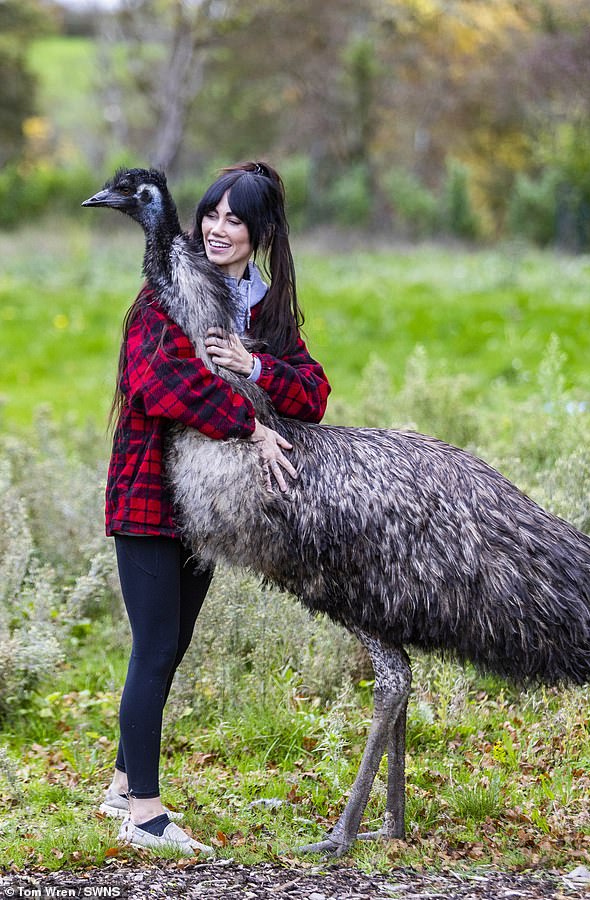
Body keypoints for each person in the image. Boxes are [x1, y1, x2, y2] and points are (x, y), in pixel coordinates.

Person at [99, 161, 330, 854]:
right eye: (211, 214)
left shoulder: (261, 309)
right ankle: (145, 815)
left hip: (209, 509)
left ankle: (121, 786)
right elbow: (159, 383)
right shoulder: (166, 296)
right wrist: (249, 425)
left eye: (235, 219)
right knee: (155, 646)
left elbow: (313, 395)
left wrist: (255, 367)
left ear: (260, 232)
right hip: (148, 491)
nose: (217, 229)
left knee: (172, 646)